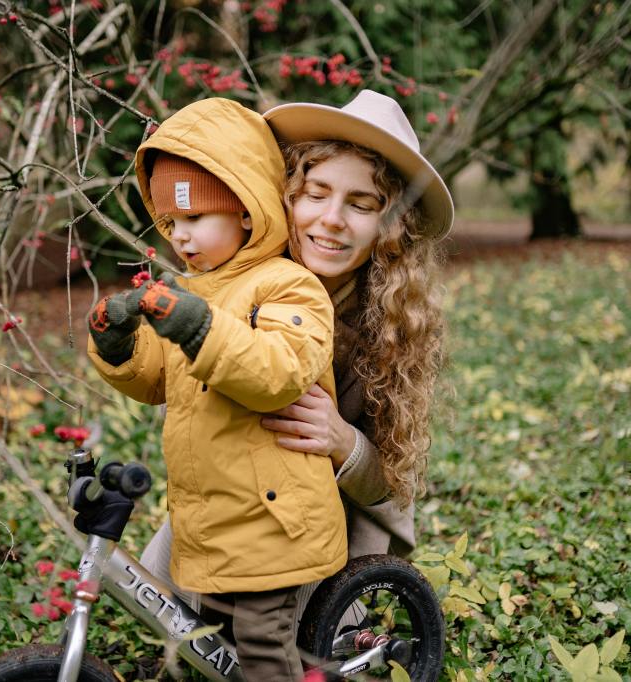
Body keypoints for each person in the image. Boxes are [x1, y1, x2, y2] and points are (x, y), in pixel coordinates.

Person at [141, 89, 453, 625]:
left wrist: (342, 441)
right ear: (282, 197)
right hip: (230, 510)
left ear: (391, 227)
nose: (331, 219)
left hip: (318, 537)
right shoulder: (241, 285)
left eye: (361, 204)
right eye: (314, 194)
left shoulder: (390, 330)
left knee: (274, 641)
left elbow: (393, 490)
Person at [86, 97, 348, 682]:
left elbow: (275, 371)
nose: (180, 238)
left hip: (272, 522)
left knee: (260, 643)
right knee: (212, 638)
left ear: (248, 213)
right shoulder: (193, 290)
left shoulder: (289, 286)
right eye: (171, 224)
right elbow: (156, 377)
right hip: (215, 515)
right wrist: (117, 344)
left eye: (196, 219)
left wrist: (196, 326)